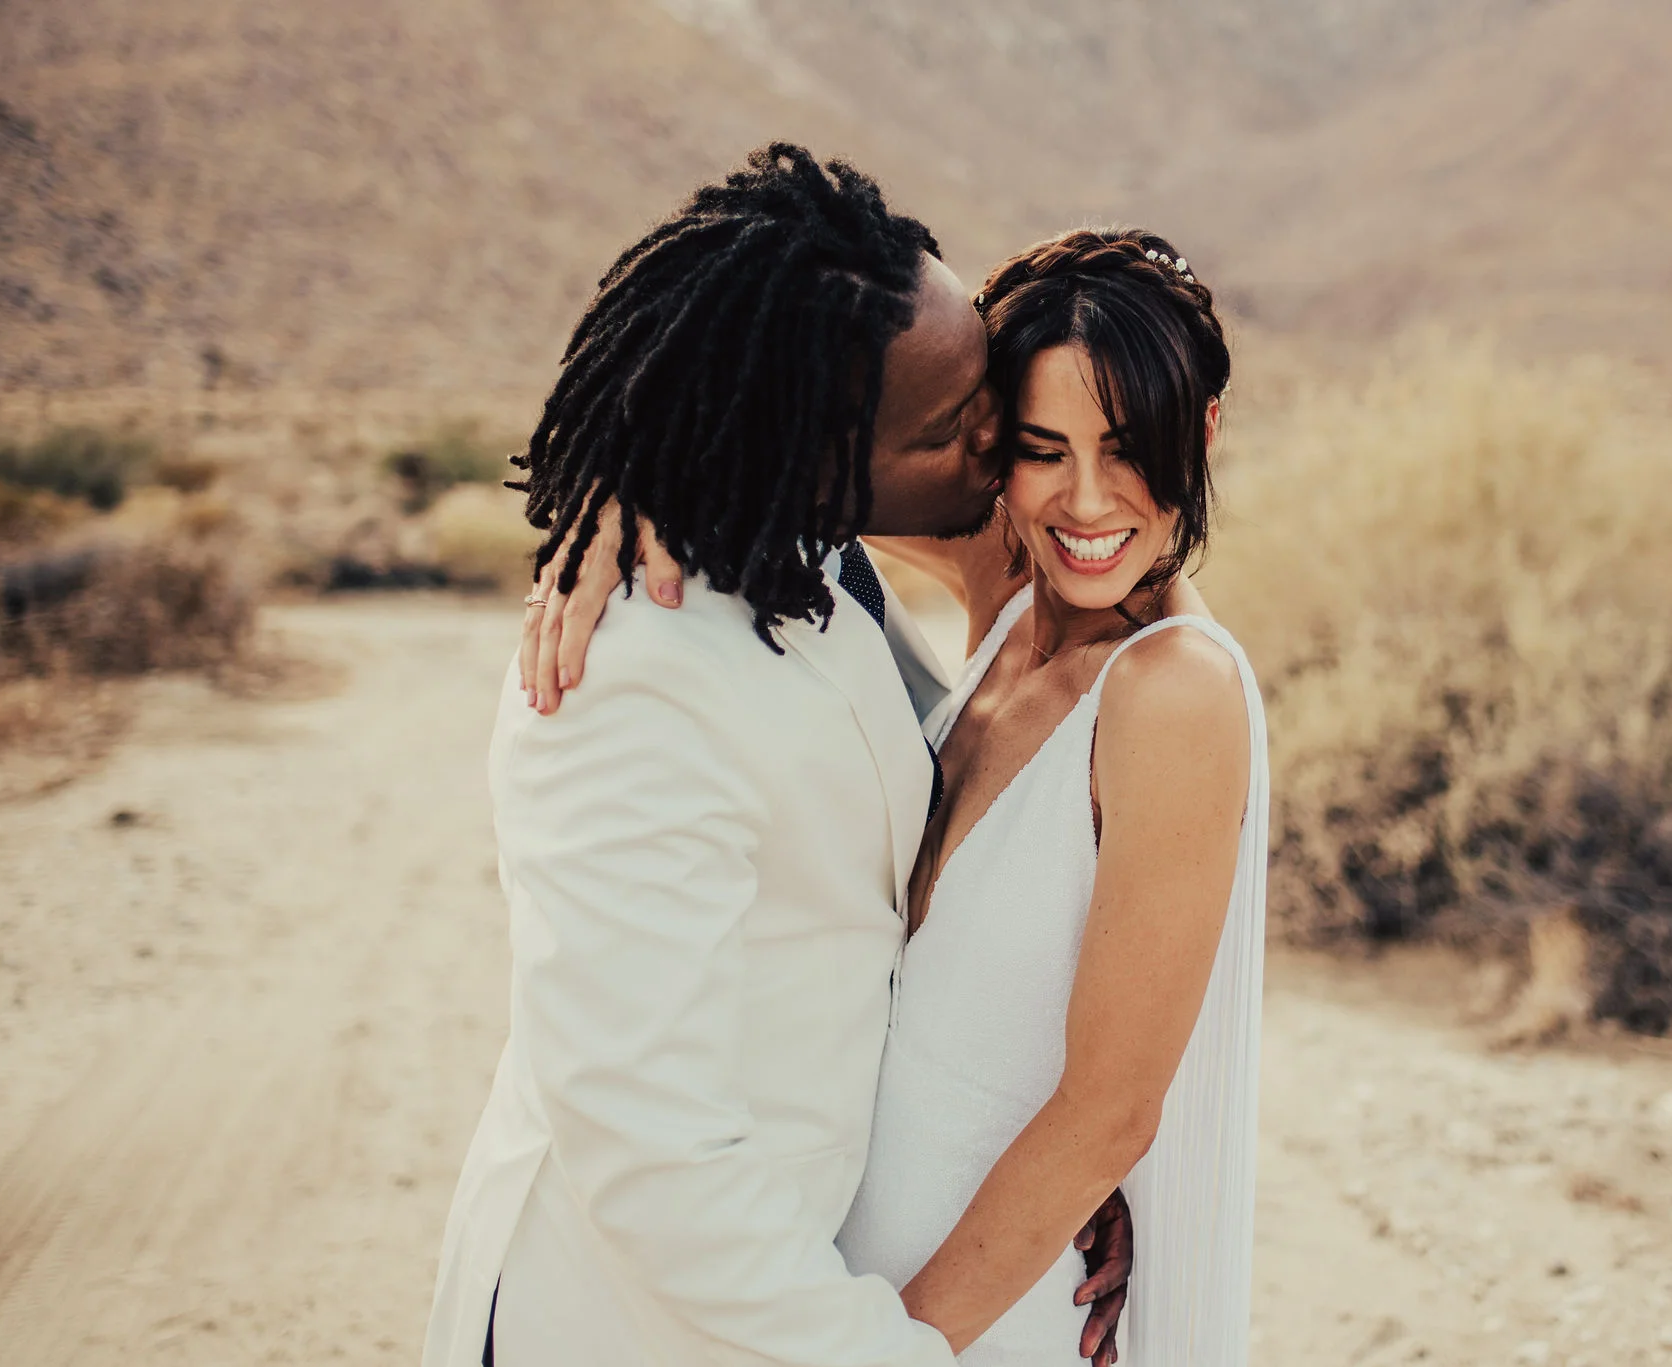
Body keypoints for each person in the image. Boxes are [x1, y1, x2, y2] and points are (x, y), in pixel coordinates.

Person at [423, 144, 1131, 1367]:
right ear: (809, 451)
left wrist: (1034, 1165)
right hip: (627, 1324)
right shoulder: (622, 684)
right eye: (952, 430)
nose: (995, 448)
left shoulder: (814, 558)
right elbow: (654, 1162)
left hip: (784, 1281)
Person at [535, 229, 1269, 1366]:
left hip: (973, 1310)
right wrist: (626, 488)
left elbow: (1108, 1112)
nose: (1086, 499)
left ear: (1203, 429)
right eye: (1041, 447)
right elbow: (781, 451)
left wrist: (899, 1345)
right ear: (993, 455)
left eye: (1133, 446)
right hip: (829, 1278)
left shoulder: (1173, 692)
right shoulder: (1019, 580)